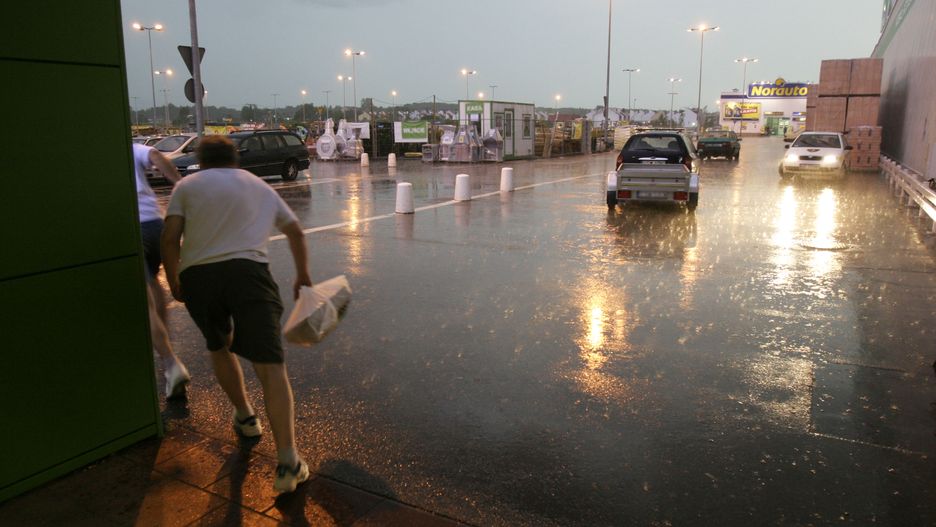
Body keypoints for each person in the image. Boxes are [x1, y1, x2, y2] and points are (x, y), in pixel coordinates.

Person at [160, 135, 312, 493]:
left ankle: (245, 417)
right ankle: (288, 462)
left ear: (201, 159)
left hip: (200, 277)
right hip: (249, 275)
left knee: (219, 346)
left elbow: (169, 238)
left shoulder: (186, 186)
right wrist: (302, 275)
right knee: (270, 366)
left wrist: (174, 278)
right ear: (235, 159)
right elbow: (294, 231)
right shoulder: (256, 185)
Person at [132, 142, 191, 400]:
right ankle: (164, 348)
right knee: (155, 286)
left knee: (146, 302)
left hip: (133, 226)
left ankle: (170, 362)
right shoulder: (131, 147)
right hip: (155, 224)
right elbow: (156, 155)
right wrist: (178, 182)